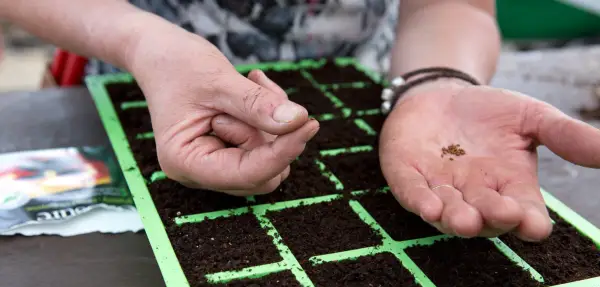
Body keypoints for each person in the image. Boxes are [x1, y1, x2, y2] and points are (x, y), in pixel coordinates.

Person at [2, 0, 599, 241]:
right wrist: (140, 41)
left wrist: (433, 81)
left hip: (369, 88)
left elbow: (453, 5)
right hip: (134, 82)